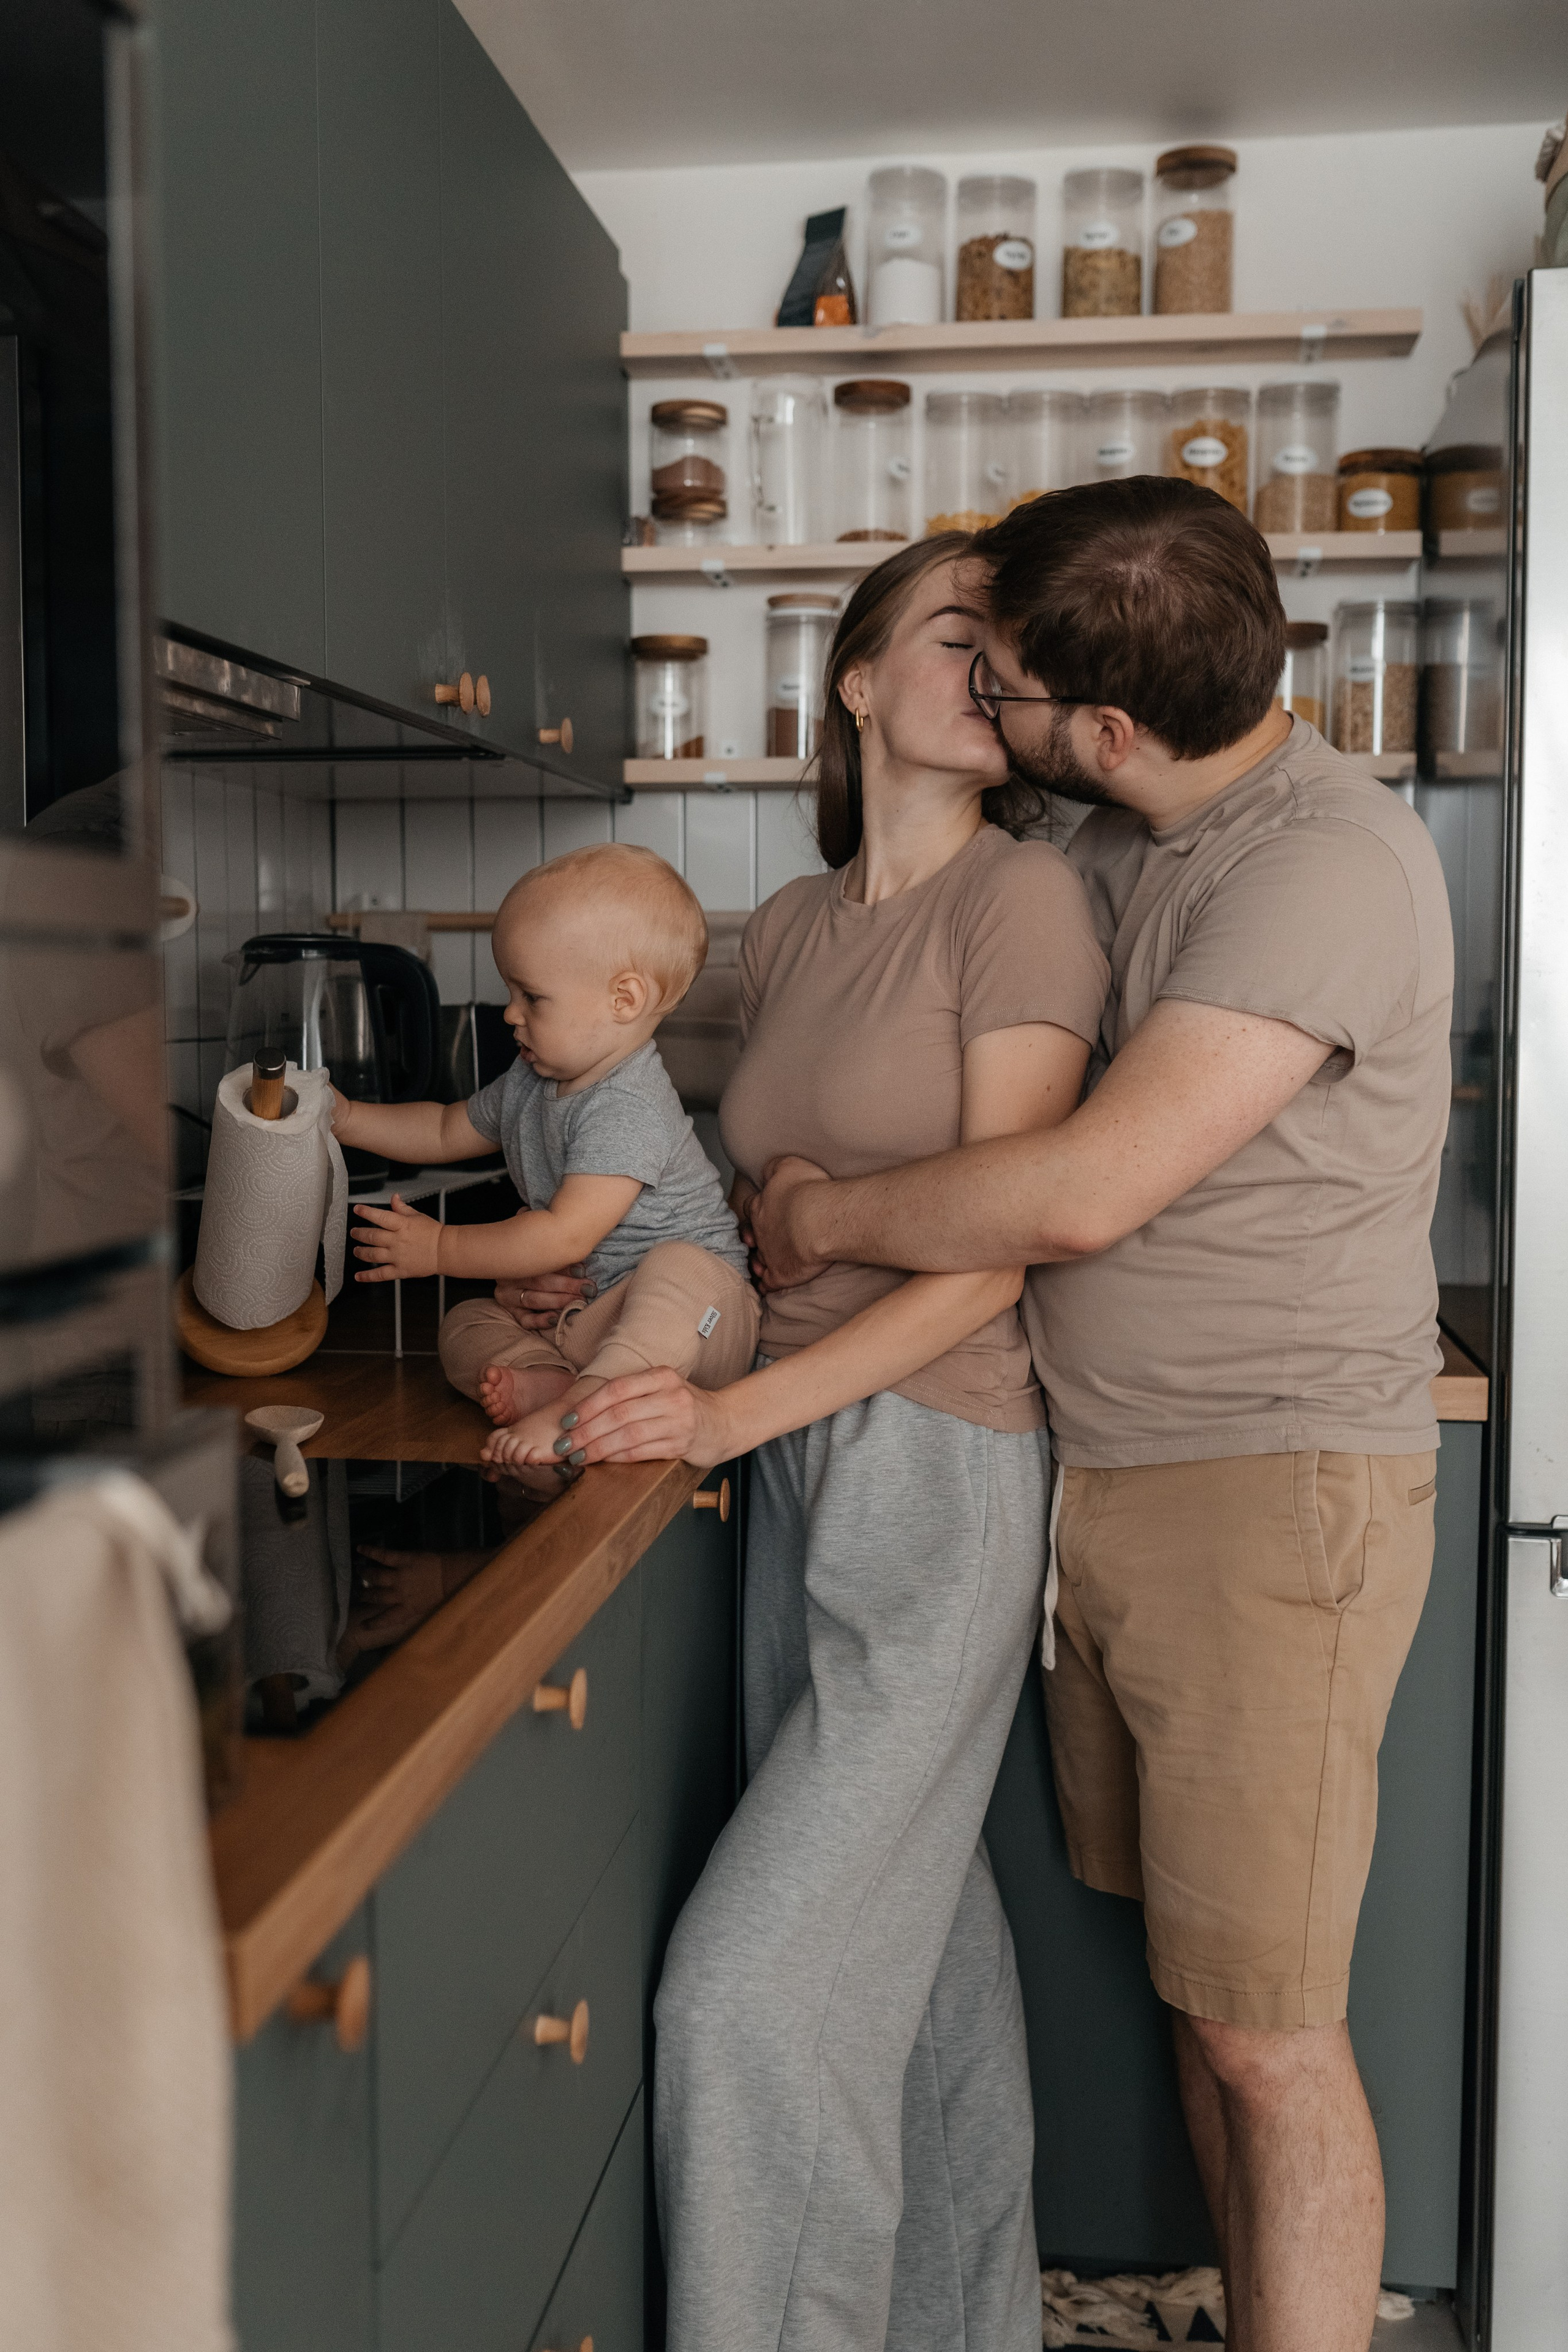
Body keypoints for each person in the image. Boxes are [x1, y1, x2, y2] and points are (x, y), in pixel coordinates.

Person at [677, 478, 1447, 2352]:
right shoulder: (1117, 847)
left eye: (1003, 676)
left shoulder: (1320, 862)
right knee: (1202, 1999)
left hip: (1268, 1487)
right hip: (1110, 1474)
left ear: (1097, 728)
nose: (990, 703)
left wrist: (818, 1217)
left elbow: (1077, 1189)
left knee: (1268, 2026)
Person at [500, 533, 1109, 2348]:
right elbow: (747, 1196)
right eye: (954, 634)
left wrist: (720, 1402)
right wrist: (600, 1318)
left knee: (750, 1998)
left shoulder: (1024, 903)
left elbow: (990, 1245)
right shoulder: (786, 926)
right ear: (854, 682)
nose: (992, 665)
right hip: (787, 1457)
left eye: (1014, 643)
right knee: (911, 1974)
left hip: (927, 1467)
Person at [331, 842, 758, 1468]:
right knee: (465, 1325)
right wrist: (347, 1118)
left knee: (678, 1270)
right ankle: (554, 1381)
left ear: (625, 1000)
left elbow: (562, 1236)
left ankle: (582, 1408)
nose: (510, 1013)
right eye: (511, 991)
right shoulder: (532, 1080)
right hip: (588, 1318)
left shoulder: (626, 1106)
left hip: (702, 1325)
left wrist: (440, 1249)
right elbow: (448, 1129)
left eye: (532, 997)